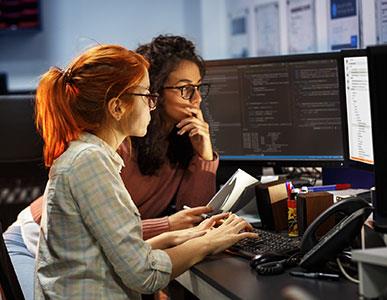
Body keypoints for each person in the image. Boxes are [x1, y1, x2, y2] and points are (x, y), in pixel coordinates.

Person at [32, 44, 256, 299]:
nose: (153, 104)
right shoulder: (90, 162)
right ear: (117, 108)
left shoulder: (90, 156)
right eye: (146, 95)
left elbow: (107, 252)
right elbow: (144, 274)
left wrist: (190, 234)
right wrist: (209, 242)